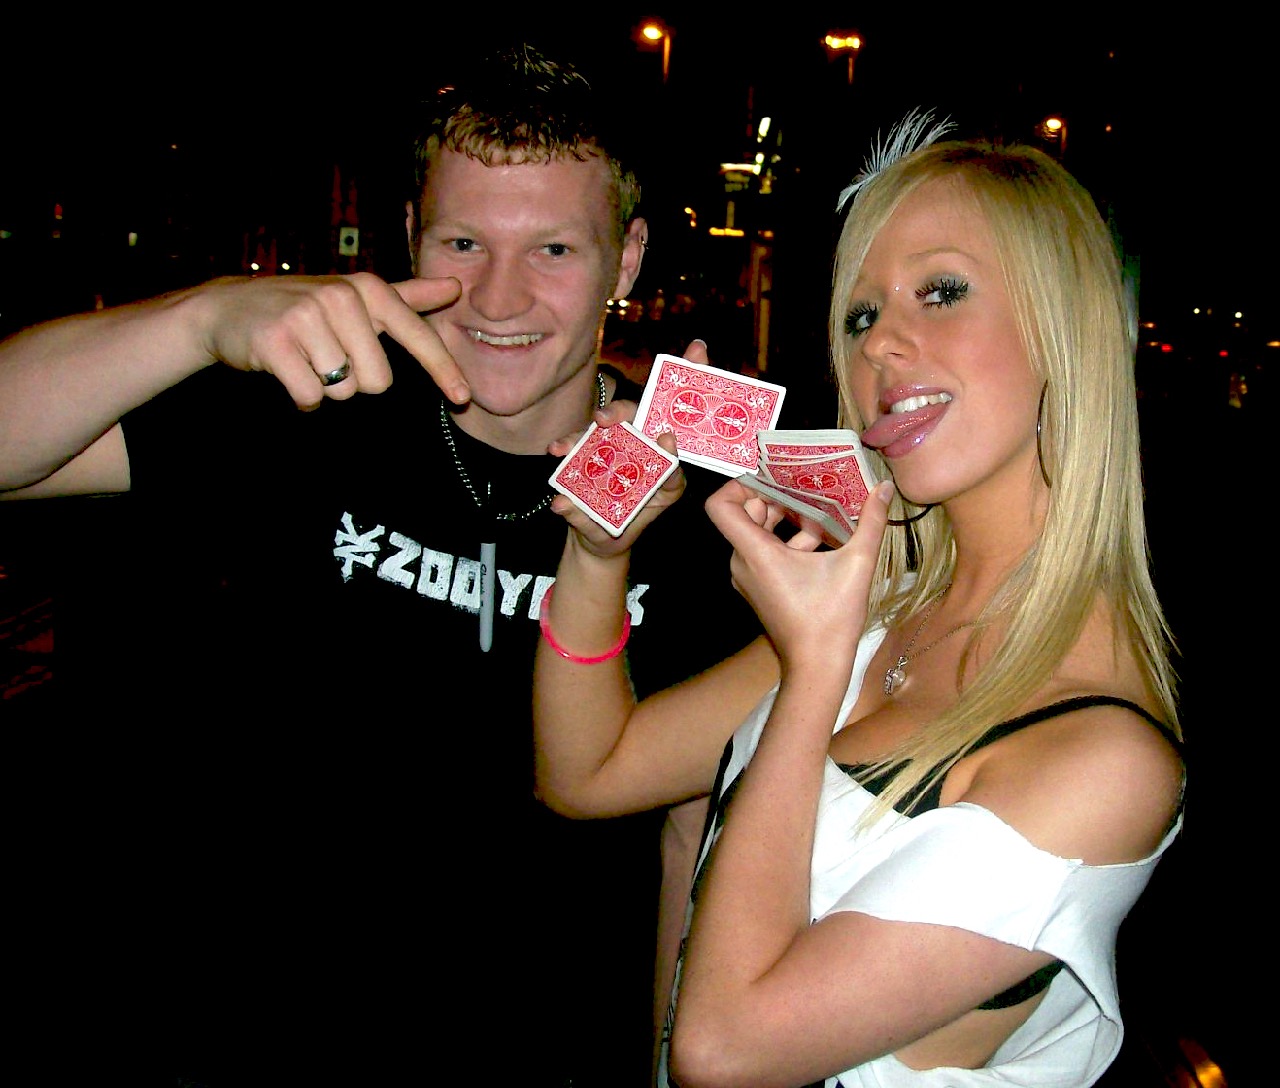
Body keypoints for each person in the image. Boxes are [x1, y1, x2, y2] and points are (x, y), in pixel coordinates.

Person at [0, 43, 757, 1085]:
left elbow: (691, 830)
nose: (497, 297)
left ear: (624, 260)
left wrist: (668, 1057)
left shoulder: (699, 500)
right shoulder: (322, 403)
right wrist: (202, 316)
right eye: (461, 241)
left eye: (552, 251)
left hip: (559, 1040)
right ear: (409, 234)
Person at [532, 122, 1186, 1087]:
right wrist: (598, 552)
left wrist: (813, 671)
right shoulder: (885, 612)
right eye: (859, 314)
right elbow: (589, 772)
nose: (879, 339)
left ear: (1065, 327)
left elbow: (727, 1049)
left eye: (943, 290)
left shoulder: (1106, 759)